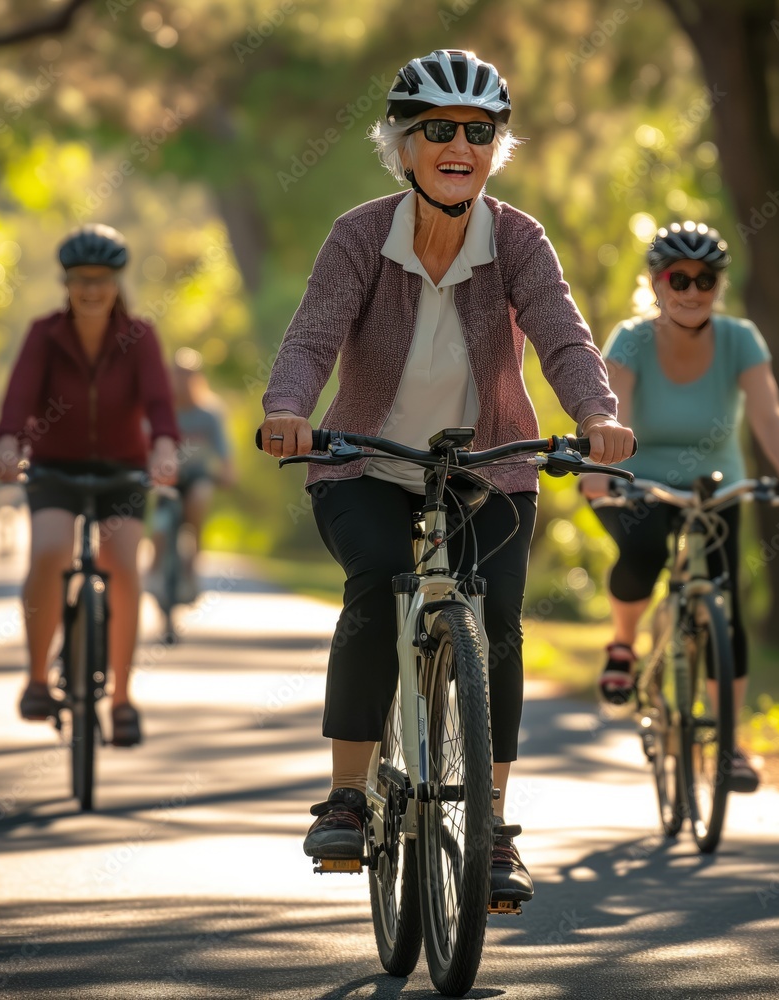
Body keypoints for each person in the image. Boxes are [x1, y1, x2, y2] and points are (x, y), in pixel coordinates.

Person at [258, 49, 635, 903]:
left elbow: (563, 336)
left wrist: (599, 415)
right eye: (438, 130)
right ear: (402, 142)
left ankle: (493, 831)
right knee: (376, 580)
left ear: (496, 147)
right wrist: (288, 410)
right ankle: (349, 797)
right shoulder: (359, 235)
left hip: (488, 468)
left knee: (496, 621)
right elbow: (313, 336)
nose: (459, 144)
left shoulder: (519, 240)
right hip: (363, 461)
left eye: (479, 131)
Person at [580, 221, 779, 788]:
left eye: (703, 279)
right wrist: (601, 475)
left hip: (715, 484)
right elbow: (616, 414)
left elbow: (767, 413)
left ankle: (729, 744)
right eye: (676, 278)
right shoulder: (631, 340)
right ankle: (622, 646)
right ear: (656, 282)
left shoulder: (740, 339)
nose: (690, 290)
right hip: (638, 481)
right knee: (644, 549)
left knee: (725, 605)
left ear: (717, 285)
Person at [0, 224, 179, 747]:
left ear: (118, 281)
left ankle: (121, 699)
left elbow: (161, 403)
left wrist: (165, 446)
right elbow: (19, 399)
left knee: (121, 562)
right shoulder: (43, 334)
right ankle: (34, 680)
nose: (91, 289)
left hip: (122, 470)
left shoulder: (139, 337)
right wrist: (8, 443)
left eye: (101, 278)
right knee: (50, 550)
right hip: (55, 469)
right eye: (80, 279)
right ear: (66, 282)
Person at [148, 347, 235, 604]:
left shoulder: (210, 413)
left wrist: (228, 473)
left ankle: (190, 570)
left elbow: (224, 453)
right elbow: (145, 445)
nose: (182, 380)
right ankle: (153, 574)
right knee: (161, 524)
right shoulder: (160, 411)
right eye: (177, 374)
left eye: (187, 374)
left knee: (200, 498)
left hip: (198, 476)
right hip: (166, 479)